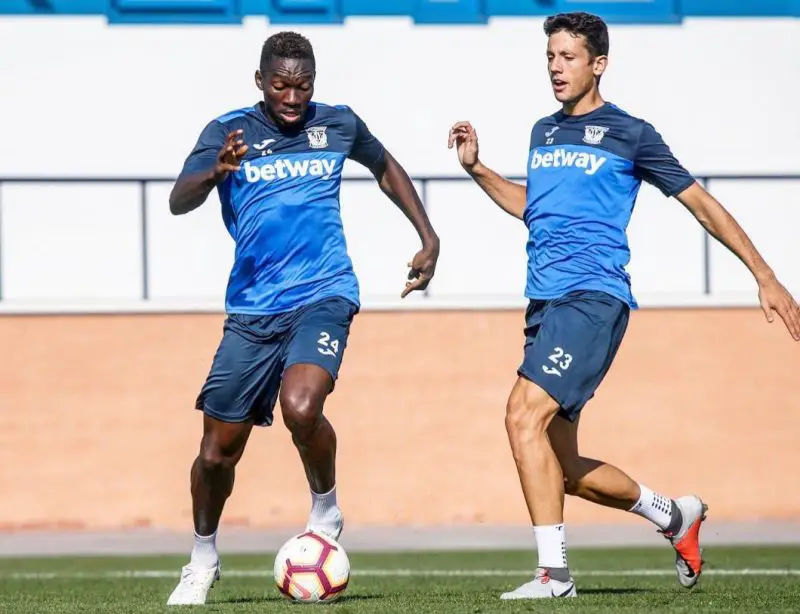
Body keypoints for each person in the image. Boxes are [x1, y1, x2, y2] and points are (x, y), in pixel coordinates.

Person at [448, 11, 800, 601]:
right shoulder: (543, 132)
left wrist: (764, 275)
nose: (556, 67)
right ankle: (675, 515)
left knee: (520, 415)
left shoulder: (631, 133)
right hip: (544, 305)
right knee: (561, 469)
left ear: (599, 64)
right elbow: (534, 207)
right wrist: (478, 169)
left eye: (568, 57)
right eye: (550, 57)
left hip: (593, 299)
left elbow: (701, 203)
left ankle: (554, 576)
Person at [165, 31, 440, 606]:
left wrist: (427, 236)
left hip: (324, 292)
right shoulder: (227, 132)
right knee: (217, 453)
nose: (292, 98)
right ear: (260, 81)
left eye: (303, 86)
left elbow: (385, 166)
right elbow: (178, 200)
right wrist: (216, 170)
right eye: (281, 85)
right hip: (252, 310)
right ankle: (203, 557)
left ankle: (325, 507)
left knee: (301, 406)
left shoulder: (337, 124)